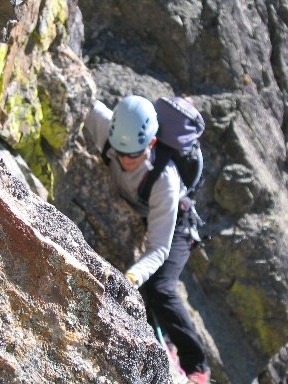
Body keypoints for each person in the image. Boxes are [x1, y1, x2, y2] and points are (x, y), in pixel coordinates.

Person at [84, 95, 210, 383]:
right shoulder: (109, 130)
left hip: (176, 223)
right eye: (120, 153)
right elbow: (85, 106)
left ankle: (197, 366)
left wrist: (132, 276)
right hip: (143, 212)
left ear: (151, 144)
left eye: (134, 154)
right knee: (146, 292)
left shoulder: (165, 179)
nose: (126, 160)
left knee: (159, 286)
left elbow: (159, 248)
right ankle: (160, 340)